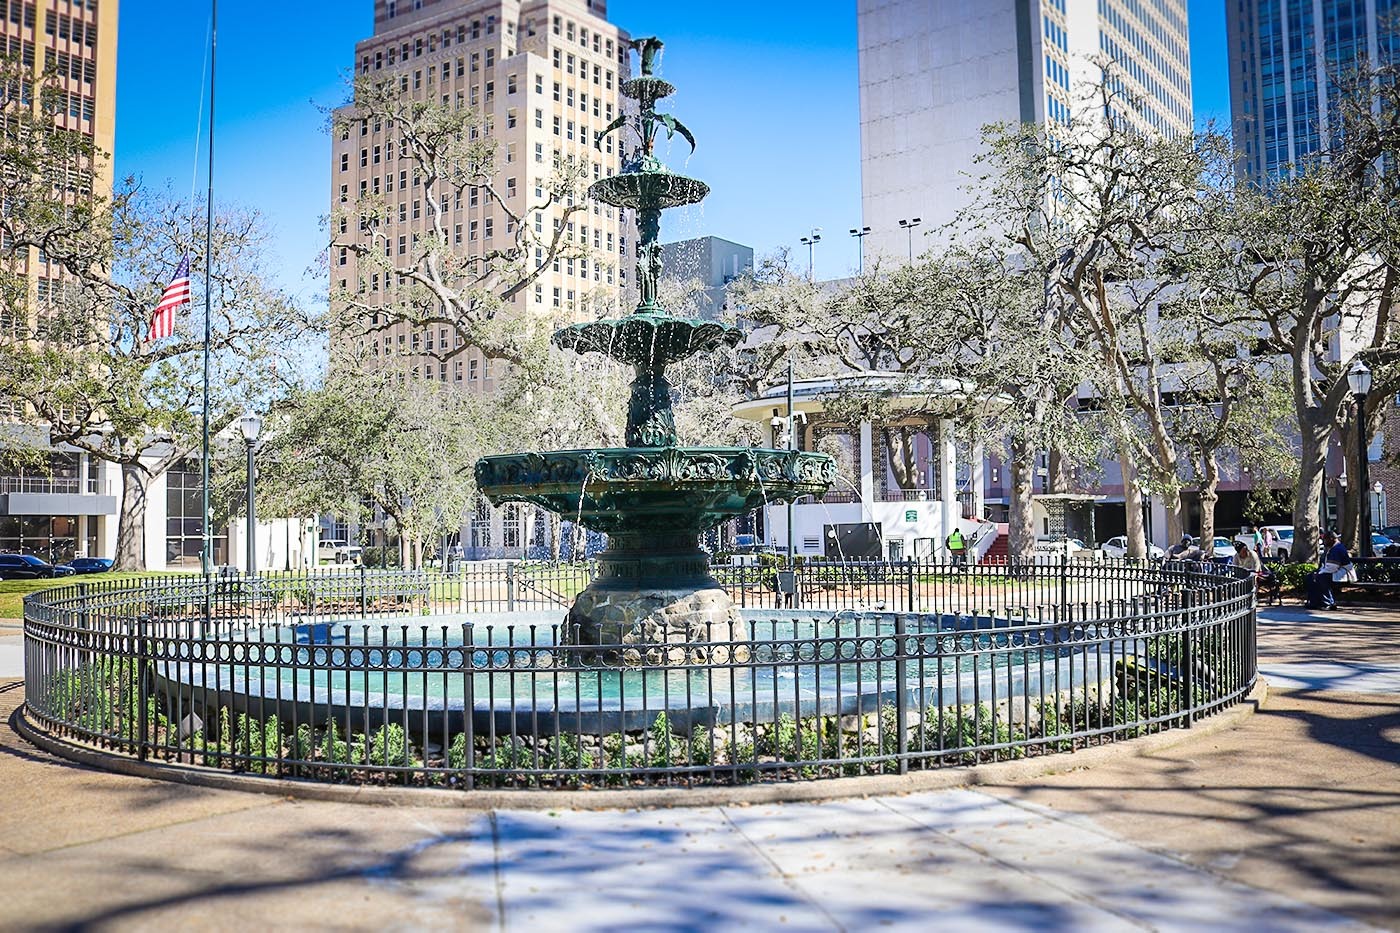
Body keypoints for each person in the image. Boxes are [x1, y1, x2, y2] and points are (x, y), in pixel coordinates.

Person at [1306, 531, 1353, 610]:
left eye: (1325, 539)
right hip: (1335, 572)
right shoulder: (1332, 548)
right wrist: (1317, 572)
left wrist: (1319, 573)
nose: (1324, 542)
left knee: (1321, 578)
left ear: (1331, 539)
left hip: (1343, 573)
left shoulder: (1337, 549)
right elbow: (1327, 566)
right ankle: (1314, 602)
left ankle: (1328, 603)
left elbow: (1333, 567)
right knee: (1310, 577)